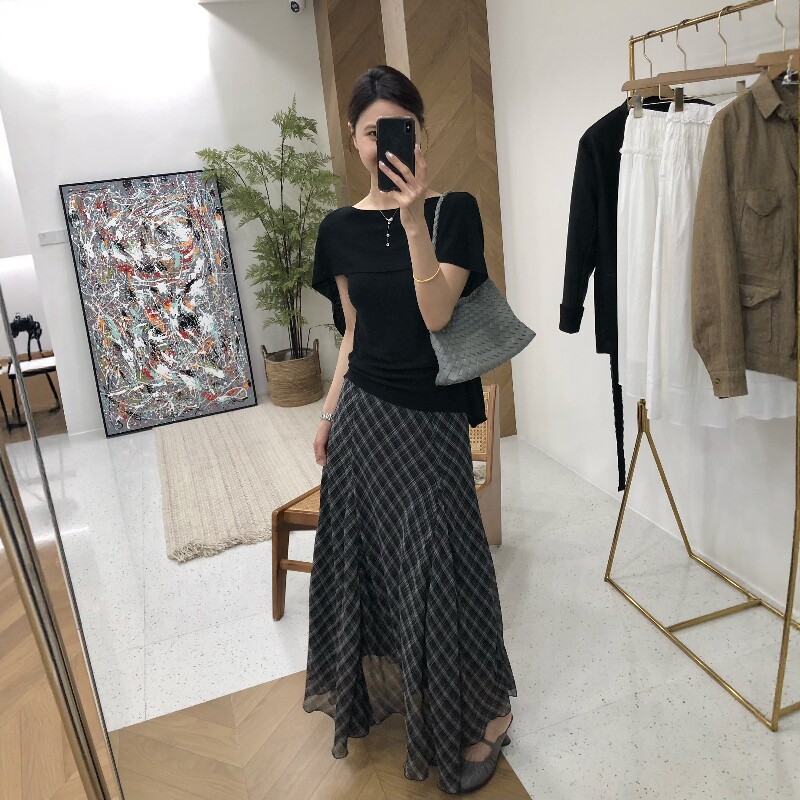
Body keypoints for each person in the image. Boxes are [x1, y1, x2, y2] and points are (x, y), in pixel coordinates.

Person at [303, 64, 517, 795]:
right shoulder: (337, 231)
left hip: (429, 421)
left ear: (420, 135)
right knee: (371, 564)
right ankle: (405, 687)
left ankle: (490, 709)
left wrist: (413, 218)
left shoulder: (454, 211)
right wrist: (328, 413)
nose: (384, 143)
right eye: (372, 132)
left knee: (445, 567)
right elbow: (353, 336)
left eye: (399, 128)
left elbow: (436, 316)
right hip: (363, 419)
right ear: (355, 139)